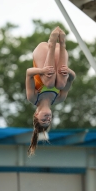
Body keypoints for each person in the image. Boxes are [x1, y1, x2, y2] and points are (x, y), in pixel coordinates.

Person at [26, 26, 76, 155]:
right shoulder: (59, 98)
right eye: (49, 121)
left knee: (48, 83)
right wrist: (68, 72)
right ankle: (62, 43)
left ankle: (52, 43)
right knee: (60, 84)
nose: (48, 118)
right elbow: (72, 79)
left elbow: (29, 73)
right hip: (60, 54)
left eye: (43, 120)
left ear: (36, 115)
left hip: (43, 52)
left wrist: (42, 71)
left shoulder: (33, 97)